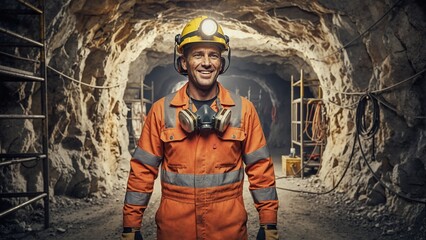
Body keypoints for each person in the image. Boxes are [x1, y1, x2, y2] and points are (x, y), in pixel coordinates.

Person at [121, 16, 279, 240]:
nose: (206, 62)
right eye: (197, 54)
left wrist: (269, 222)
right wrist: (131, 226)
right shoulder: (161, 111)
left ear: (221, 63)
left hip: (228, 232)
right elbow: (141, 172)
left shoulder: (244, 110)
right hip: (175, 232)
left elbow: (260, 169)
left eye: (213, 55)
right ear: (184, 62)